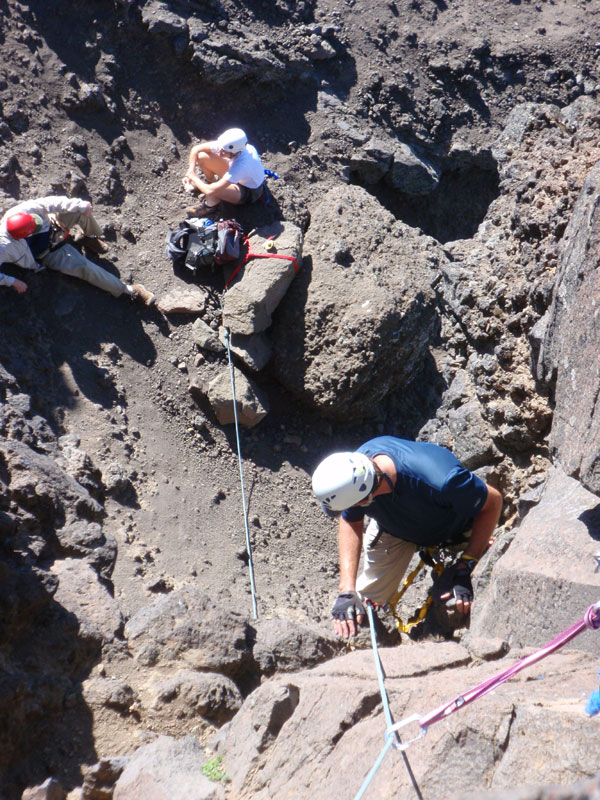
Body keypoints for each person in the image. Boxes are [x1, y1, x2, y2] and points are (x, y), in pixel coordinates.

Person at [311, 437, 503, 639]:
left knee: (482, 549)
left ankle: (469, 547)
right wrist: (347, 589)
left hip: (454, 526)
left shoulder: (443, 480)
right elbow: (350, 521)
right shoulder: (354, 473)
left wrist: (468, 562)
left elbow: (493, 503)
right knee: (359, 604)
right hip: (394, 528)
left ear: (364, 498)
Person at [0, 196, 155, 305]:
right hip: (49, 252)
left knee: (79, 211)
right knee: (86, 268)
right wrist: (12, 281)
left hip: (56, 228)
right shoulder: (4, 247)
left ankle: (89, 237)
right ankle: (129, 290)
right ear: (23, 237)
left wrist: (79, 205)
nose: (38, 222)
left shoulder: (22, 211)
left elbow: (50, 202)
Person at [183, 128, 266, 216]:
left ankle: (211, 205)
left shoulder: (242, 165)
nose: (219, 152)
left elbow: (210, 191)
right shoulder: (233, 147)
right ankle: (210, 181)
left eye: (223, 152)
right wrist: (191, 170)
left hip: (249, 191)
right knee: (202, 156)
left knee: (211, 189)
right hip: (240, 177)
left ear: (235, 152)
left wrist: (194, 177)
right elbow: (196, 149)